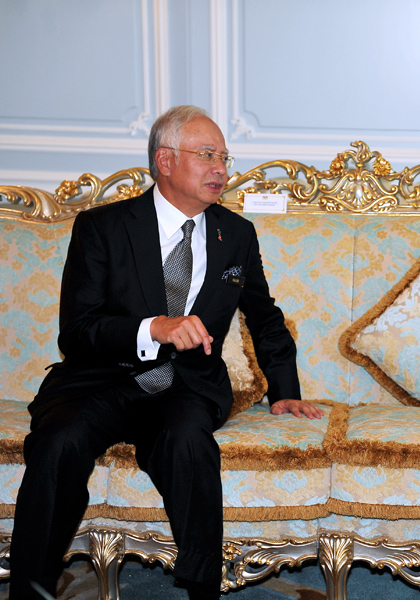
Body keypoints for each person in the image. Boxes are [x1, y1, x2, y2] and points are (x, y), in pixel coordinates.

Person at [9, 105, 323, 600]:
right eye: (207, 155)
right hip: (100, 380)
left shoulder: (236, 235)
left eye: (224, 157)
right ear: (165, 160)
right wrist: (153, 328)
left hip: (185, 384)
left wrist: (284, 390)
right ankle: (32, 588)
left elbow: (264, 317)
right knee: (59, 442)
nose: (220, 169)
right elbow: (77, 331)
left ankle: (202, 587)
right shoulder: (102, 227)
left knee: (188, 443)